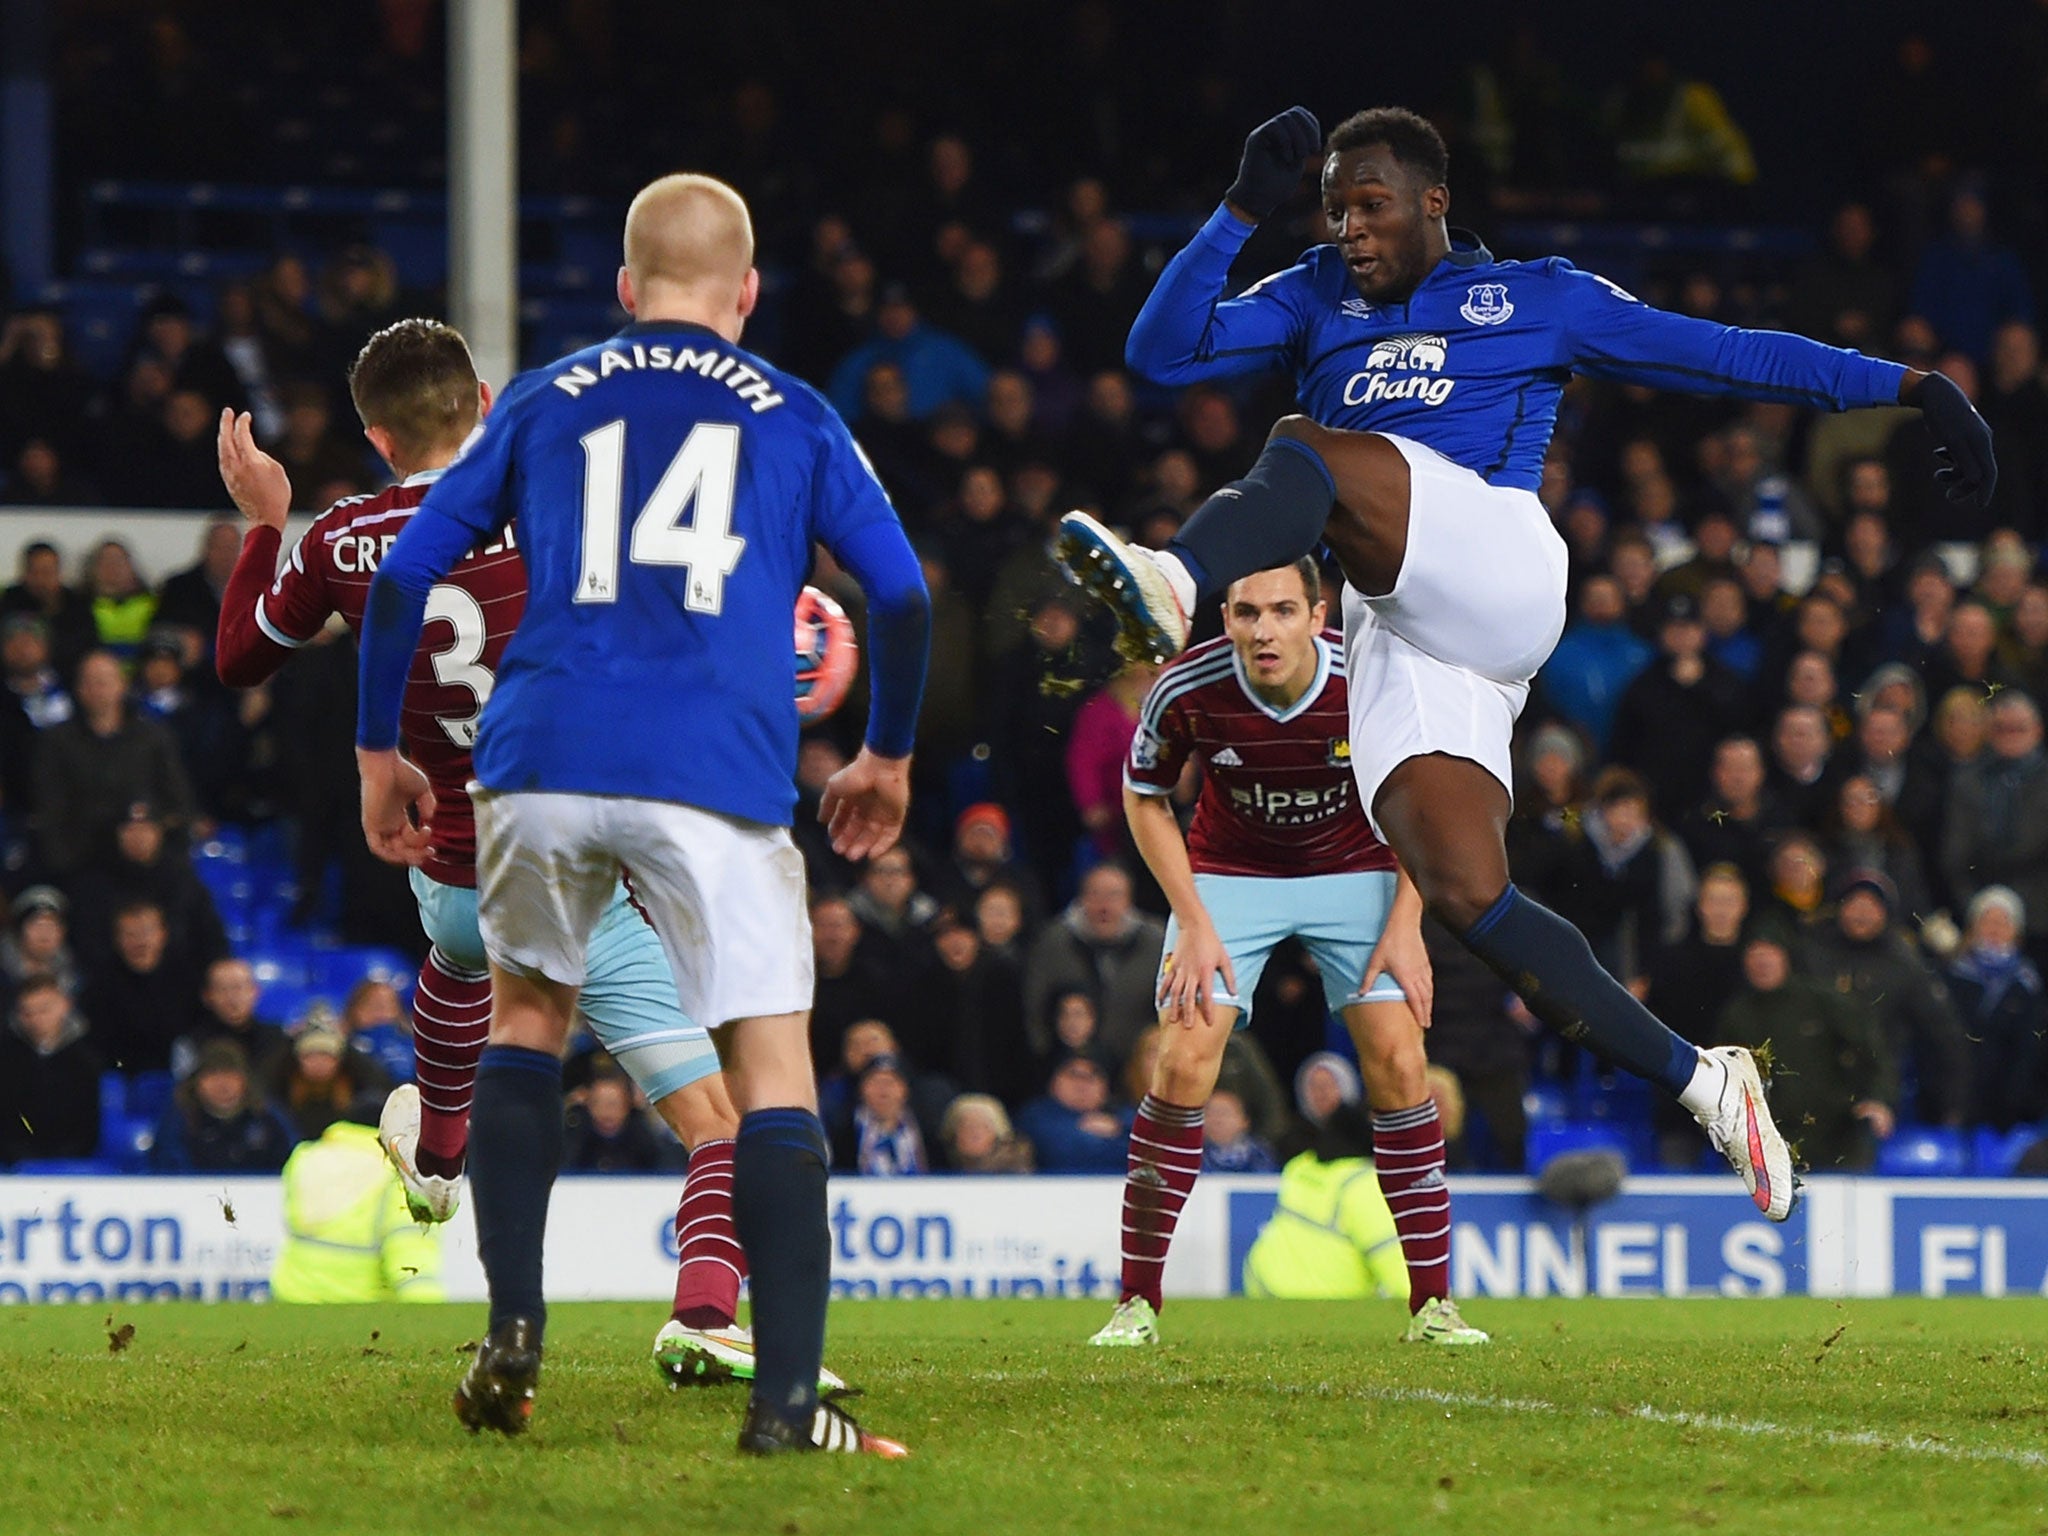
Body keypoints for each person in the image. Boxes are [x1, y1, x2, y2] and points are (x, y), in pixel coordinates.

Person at [1056, 106, 1994, 1225]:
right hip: (1398, 628)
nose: (1348, 229)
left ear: (1432, 201)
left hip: (1495, 562)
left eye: (1370, 205)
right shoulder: (1311, 290)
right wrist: (1236, 212)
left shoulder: (1536, 296)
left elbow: (1726, 355)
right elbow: (1157, 353)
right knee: (1463, 893)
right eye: (1334, 207)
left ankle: (1172, 580)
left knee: (1300, 447)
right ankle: (1706, 1082)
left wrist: (1910, 386)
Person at [353, 175, 925, 1454]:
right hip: (711, 768)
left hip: (540, 753)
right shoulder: (796, 413)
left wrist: (374, 750)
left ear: (623, 287)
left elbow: (403, 572)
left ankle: (512, 1331)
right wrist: (885, 755)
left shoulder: (551, 394)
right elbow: (900, 594)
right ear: (748, 289)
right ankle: (783, 1408)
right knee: (769, 1071)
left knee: (526, 1022)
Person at [217, 317, 810, 1401]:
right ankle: (706, 1317)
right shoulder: (563, 523)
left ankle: (438, 1157)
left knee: (461, 968)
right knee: (716, 1119)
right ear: (485, 402)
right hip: (588, 874)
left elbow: (239, 656)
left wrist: (265, 520)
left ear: (378, 438)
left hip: (451, 877)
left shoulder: (344, 537)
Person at [1092, 556, 1478, 1350]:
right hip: (1232, 876)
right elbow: (1144, 795)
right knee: (1181, 1063)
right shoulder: (1187, 687)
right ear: (1224, 617)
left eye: (1279, 610)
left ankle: (1434, 1307)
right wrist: (1192, 919)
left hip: (1357, 867)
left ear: (1317, 614)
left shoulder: (1365, 679)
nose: (1262, 630)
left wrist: (1408, 922)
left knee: (1403, 1065)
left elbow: (1423, 801)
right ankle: (1135, 1304)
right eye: (1244, 613)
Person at [270, 1096, 445, 1303]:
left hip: (293, 1298)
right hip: (361, 1307)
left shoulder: (305, 1157)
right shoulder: (398, 1174)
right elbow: (409, 1250)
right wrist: (427, 1308)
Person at [1241, 1111, 1409, 1301]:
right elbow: (1391, 1258)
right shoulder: (1361, 1184)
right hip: (1328, 1303)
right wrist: (1427, 1302)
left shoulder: (1301, 1167)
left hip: (1264, 1288)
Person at [0, 976, 102, 1164]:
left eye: (44, 1010)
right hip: (14, 1160)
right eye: (27, 1012)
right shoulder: (6, 1057)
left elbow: (88, 1123)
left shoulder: (87, 1058)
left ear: (65, 1005)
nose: (36, 1019)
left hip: (72, 1159)